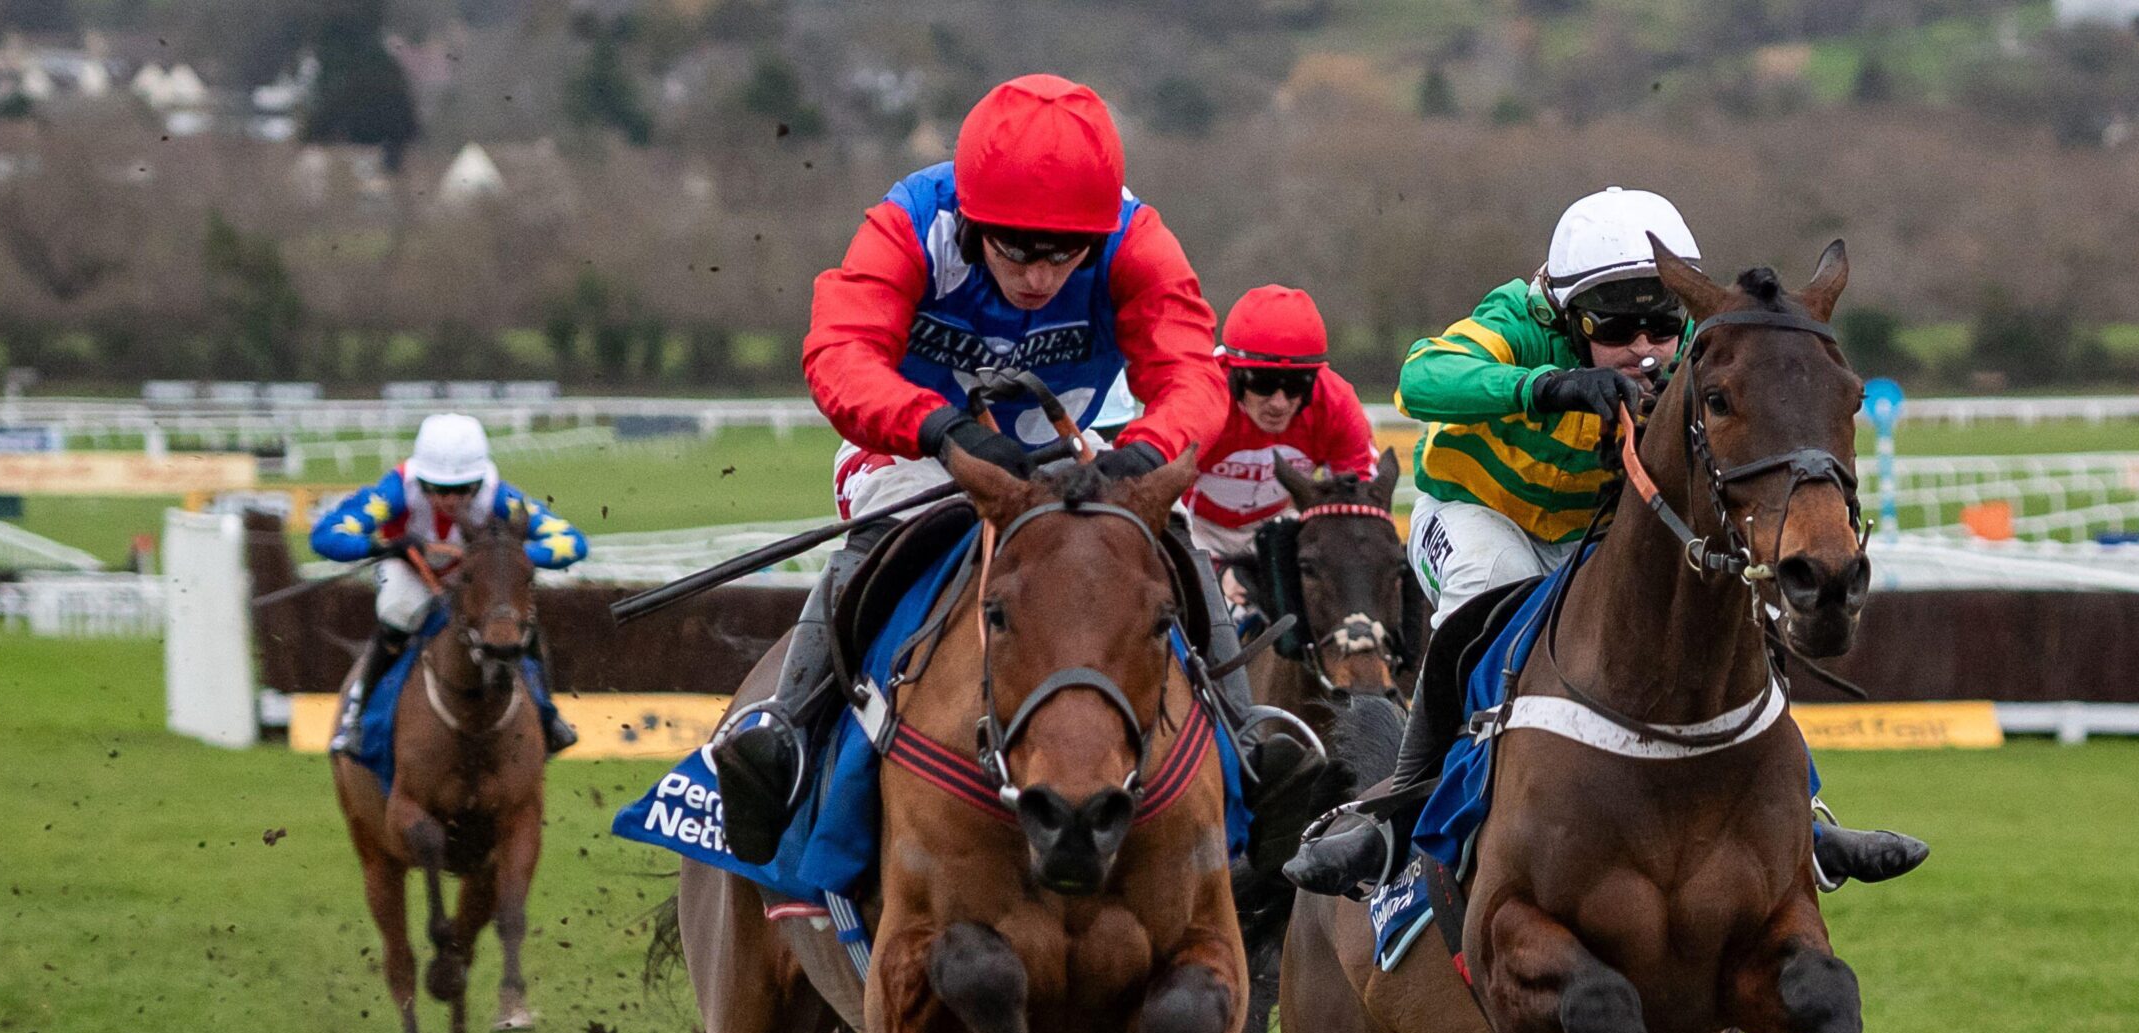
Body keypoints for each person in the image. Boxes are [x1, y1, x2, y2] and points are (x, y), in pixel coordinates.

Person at [711, 72, 1307, 865]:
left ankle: (1248, 736)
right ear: (971, 222)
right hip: (918, 445)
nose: (1039, 277)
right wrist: (937, 427)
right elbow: (841, 351)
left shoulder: (1134, 237)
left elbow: (1191, 373)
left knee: (1171, 532)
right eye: (1016, 250)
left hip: (1072, 448)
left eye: (1065, 255)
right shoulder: (909, 223)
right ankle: (788, 734)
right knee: (888, 523)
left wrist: (1148, 452)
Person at [1283, 187, 1926, 897]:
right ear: (1566, 313)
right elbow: (1420, 377)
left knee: (1719, 620)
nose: (1645, 348)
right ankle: (1395, 819)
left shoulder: (1696, 349)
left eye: (1662, 324)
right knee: (1490, 587)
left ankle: (1806, 817)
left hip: (1594, 528)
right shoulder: (1517, 319)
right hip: (1477, 512)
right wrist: (1547, 386)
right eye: (1616, 327)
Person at [311, 412, 587, 756]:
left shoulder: (500, 496)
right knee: (398, 613)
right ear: (421, 480)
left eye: (463, 489)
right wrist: (382, 546)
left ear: (479, 482)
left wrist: (503, 556)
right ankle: (357, 716)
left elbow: (573, 542)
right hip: (410, 571)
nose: (451, 500)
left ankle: (547, 716)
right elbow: (326, 535)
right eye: (438, 489)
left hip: (473, 578)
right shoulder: (396, 490)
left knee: (515, 625)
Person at [1181, 285, 1378, 607]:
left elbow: (1359, 504)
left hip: (1276, 525)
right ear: (1235, 375)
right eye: (1263, 383)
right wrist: (1214, 570)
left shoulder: (1336, 401)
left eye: (1297, 385)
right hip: (1195, 526)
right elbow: (1160, 506)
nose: (1279, 403)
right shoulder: (1200, 393)